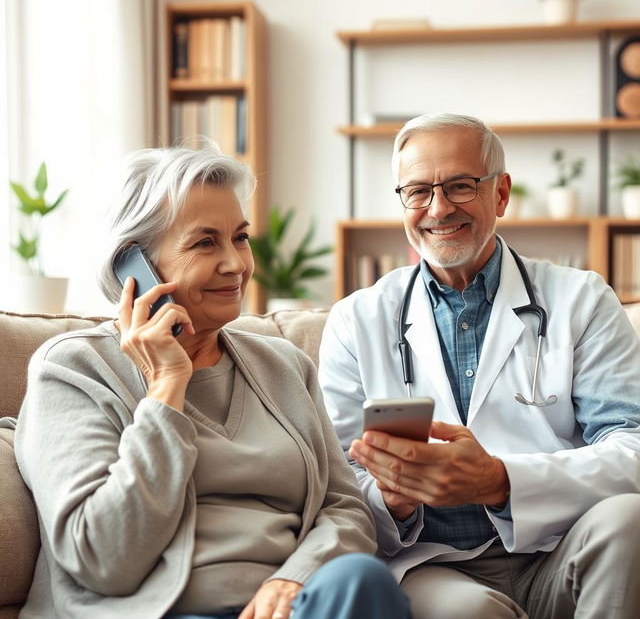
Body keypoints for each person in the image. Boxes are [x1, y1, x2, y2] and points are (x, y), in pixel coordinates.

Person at [11, 145, 411, 619]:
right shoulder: (74, 368)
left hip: (297, 607)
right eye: (205, 243)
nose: (236, 264)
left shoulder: (283, 364)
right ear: (132, 266)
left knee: (362, 580)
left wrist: (294, 577)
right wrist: (165, 389)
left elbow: (346, 510)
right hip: (160, 611)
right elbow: (100, 560)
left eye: (239, 238)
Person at [318, 113, 640, 619]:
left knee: (631, 520)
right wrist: (391, 500)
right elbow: (337, 478)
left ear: (501, 193)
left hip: (560, 546)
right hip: (437, 565)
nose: (438, 209)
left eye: (460, 186)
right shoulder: (356, 319)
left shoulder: (582, 299)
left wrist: (499, 479)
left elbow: (633, 448)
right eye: (418, 191)